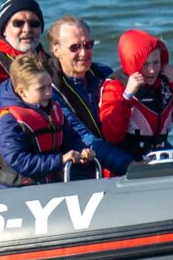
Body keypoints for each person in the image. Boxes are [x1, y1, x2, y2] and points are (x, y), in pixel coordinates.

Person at [0, 50, 99, 187]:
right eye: (41, 89)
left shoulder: (54, 110)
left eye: (49, 86)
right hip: (18, 189)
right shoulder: (8, 120)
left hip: (50, 184)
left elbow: (71, 138)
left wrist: (82, 150)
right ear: (22, 92)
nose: (48, 93)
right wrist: (60, 160)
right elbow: (19, 161)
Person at [45, 16, 133, 176]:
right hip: (81, 169)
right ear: (56, 50)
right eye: (75, 47)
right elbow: (82, 136)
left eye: (88, 45)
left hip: (119, 157)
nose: (84, 53)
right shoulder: (48, 88)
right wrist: (130, 165)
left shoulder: (104, 73)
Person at [98, 29, 173, 157]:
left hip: (158, 157)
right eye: (145, 64)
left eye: (156, 62)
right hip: (126, 161)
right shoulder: (116, 86)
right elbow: (112, 136)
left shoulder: (166, 83)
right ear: (133, 62)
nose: (152, 70)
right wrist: (127, 96)